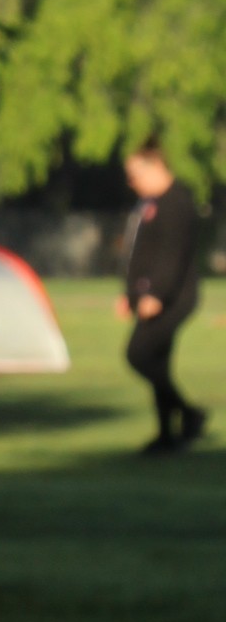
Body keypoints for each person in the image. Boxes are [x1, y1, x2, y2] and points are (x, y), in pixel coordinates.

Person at [118, 139, 207, 453]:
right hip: (151, 297)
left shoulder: (176, 202)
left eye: (135, 175)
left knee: (138, 355)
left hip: (173, 298)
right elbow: (141, 254)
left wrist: (155, 294)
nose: (132, 183)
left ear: (156, 166)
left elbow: (172, 255)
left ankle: (190, 414)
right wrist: (129, 294)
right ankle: (167, 435)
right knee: (158, 362)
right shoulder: (150, 204)